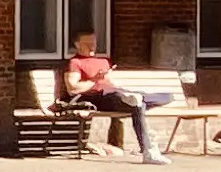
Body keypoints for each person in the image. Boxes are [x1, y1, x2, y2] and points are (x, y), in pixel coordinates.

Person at [63, 32, 175, 161]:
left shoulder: (103, 61)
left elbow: (110, 83)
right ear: (77, 45)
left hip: (115, 93)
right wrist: (95, 80)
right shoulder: (75, 62)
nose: (92, 47)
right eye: (87, 44)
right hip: (97, 97)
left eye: (93, 43)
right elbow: (73, 89)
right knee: (132, 103)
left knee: (166, 97)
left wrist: (118, 87)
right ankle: (148, 151)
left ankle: (133, 99)